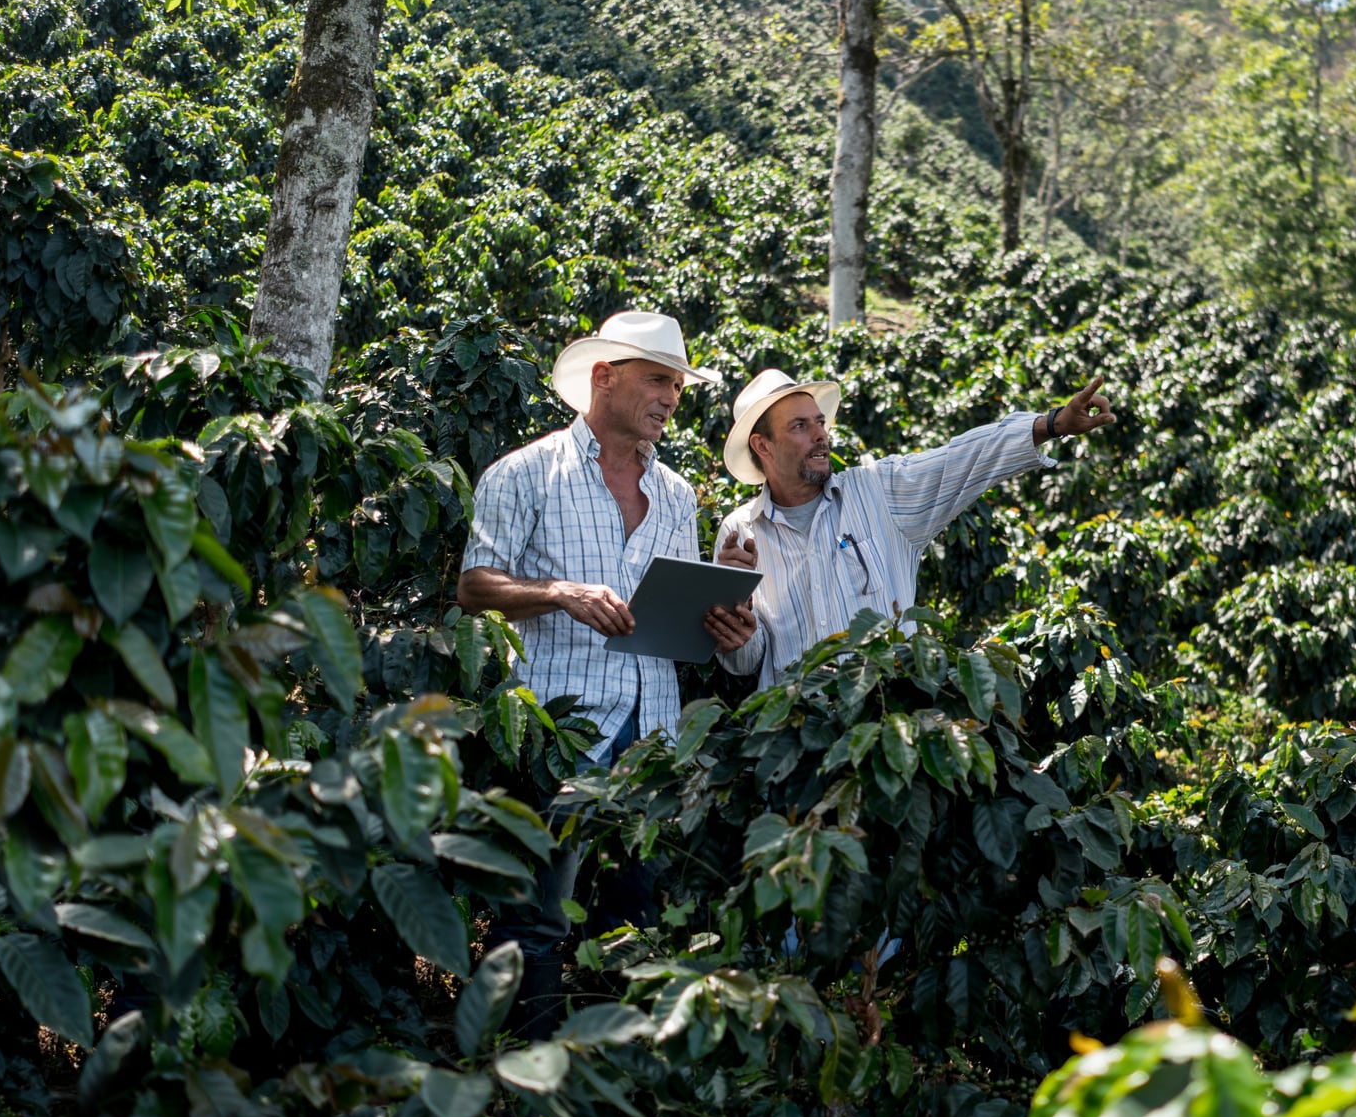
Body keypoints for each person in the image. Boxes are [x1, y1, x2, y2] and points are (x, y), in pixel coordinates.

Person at [458, 310, 756, 1034]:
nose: (669, 399)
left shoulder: (678, 496)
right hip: (560, 732)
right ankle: (522, 1077)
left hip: (651, 739)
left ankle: (613, 1078)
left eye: (678, 389)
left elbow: (669, 621)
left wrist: (721, 611)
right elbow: (473, 587)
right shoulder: (523, 474)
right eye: (658, 381)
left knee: (635, 921)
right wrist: (559, 592)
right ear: (604, 378)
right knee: (535, 920)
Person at [710, 368, 1116, 687]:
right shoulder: (740, 533)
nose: (821, 435)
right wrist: (737, 617)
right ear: (763, 446)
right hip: (792, 744)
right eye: (800, 426)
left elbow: (962, 458)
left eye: (820, 422)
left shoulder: (878, 492)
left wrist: (1053, 424)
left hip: (886, 730)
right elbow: (747, 664)